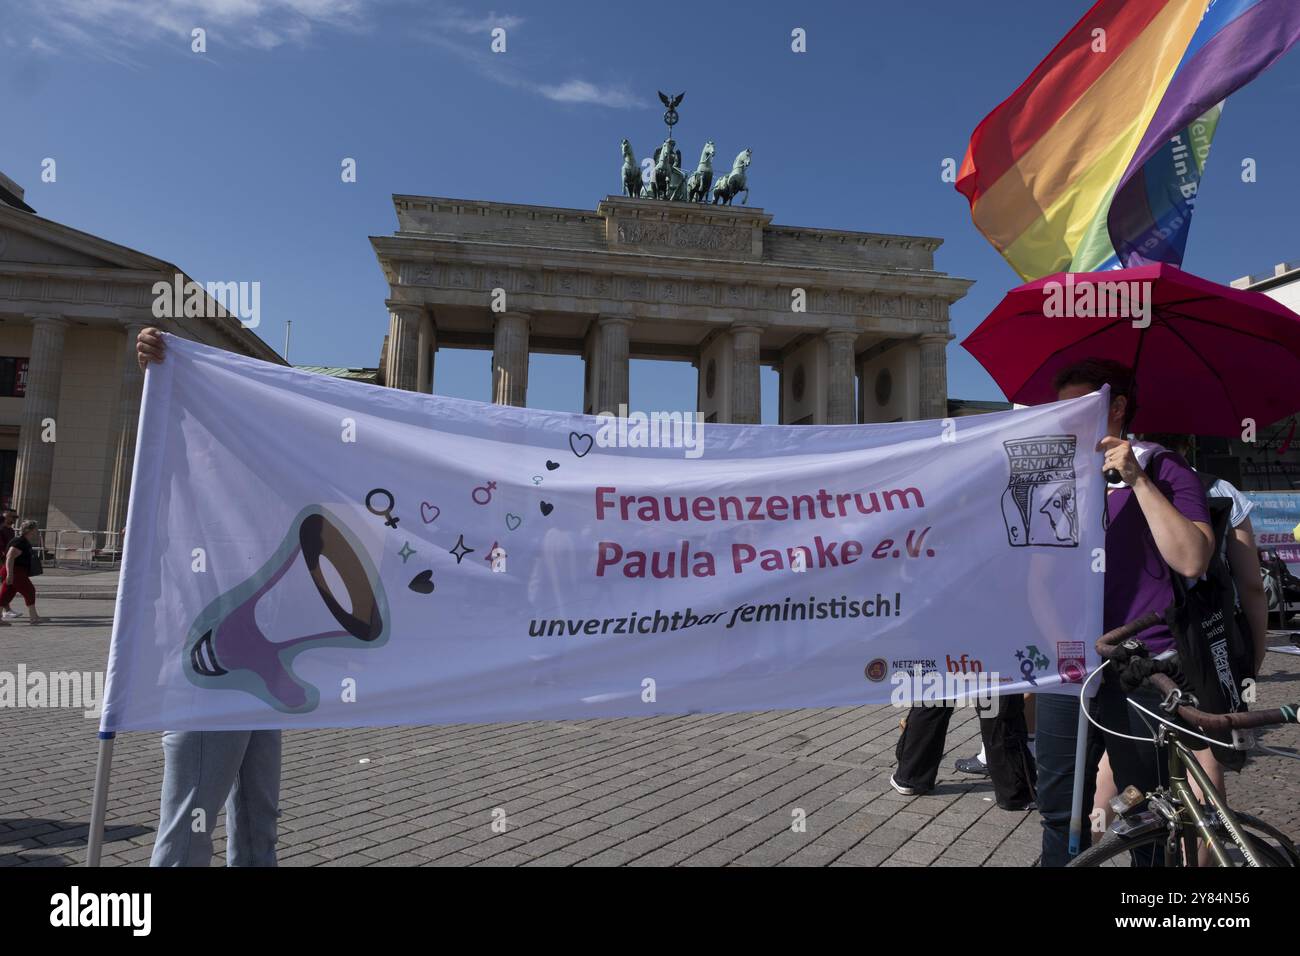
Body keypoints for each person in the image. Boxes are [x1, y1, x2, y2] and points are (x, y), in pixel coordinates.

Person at [1036, 360, 1214, 867]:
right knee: (1057, 810)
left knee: (1148, 816)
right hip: (1070, 671)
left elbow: (1192, 558)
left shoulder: (1162, 467)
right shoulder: (1059, 475)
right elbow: (1036, 578)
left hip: (1143, 666)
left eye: (1080, 406)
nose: (1067, 418)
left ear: (1116, 407)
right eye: (1060, 408)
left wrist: (1135, 479)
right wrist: (1059, 644)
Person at [137, 327, 282, 867]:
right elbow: (164, 437)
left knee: (257, 816)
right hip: (208, 668)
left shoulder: (266, 494)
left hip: (260, 666)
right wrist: (156, 369)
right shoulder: (196, 474)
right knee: (190, 823)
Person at [0, 520, 45, 625]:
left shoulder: (22, 540)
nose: (37, 532)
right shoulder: (20, 541)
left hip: (15, 571)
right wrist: (10, 574)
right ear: (29, 530)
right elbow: (10, 557)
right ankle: (34, 617)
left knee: (6, 595)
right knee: (29, 590)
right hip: (15, 571)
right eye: (35, 529)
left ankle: (34, 617)